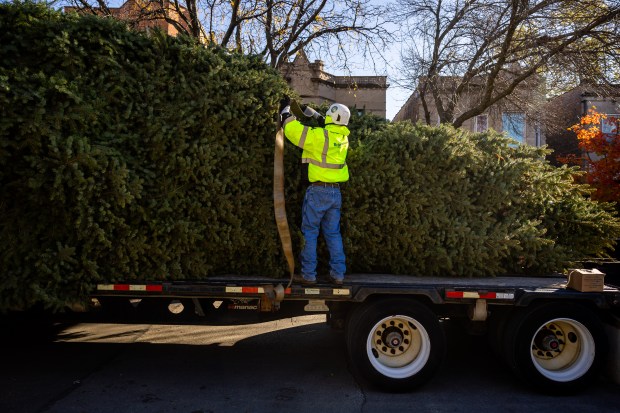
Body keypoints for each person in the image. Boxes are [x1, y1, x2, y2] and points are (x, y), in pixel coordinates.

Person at [279, 97, 351, 285]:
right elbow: (329, 127)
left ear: (331, 117)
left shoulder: (319, 137)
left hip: (318, 191)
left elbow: (292, 131)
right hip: (336, 193)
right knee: (333, 233)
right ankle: (338, 275)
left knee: (310, 232)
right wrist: (314, 114)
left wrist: (285, 111)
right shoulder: (343, 139)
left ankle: (309, 275)